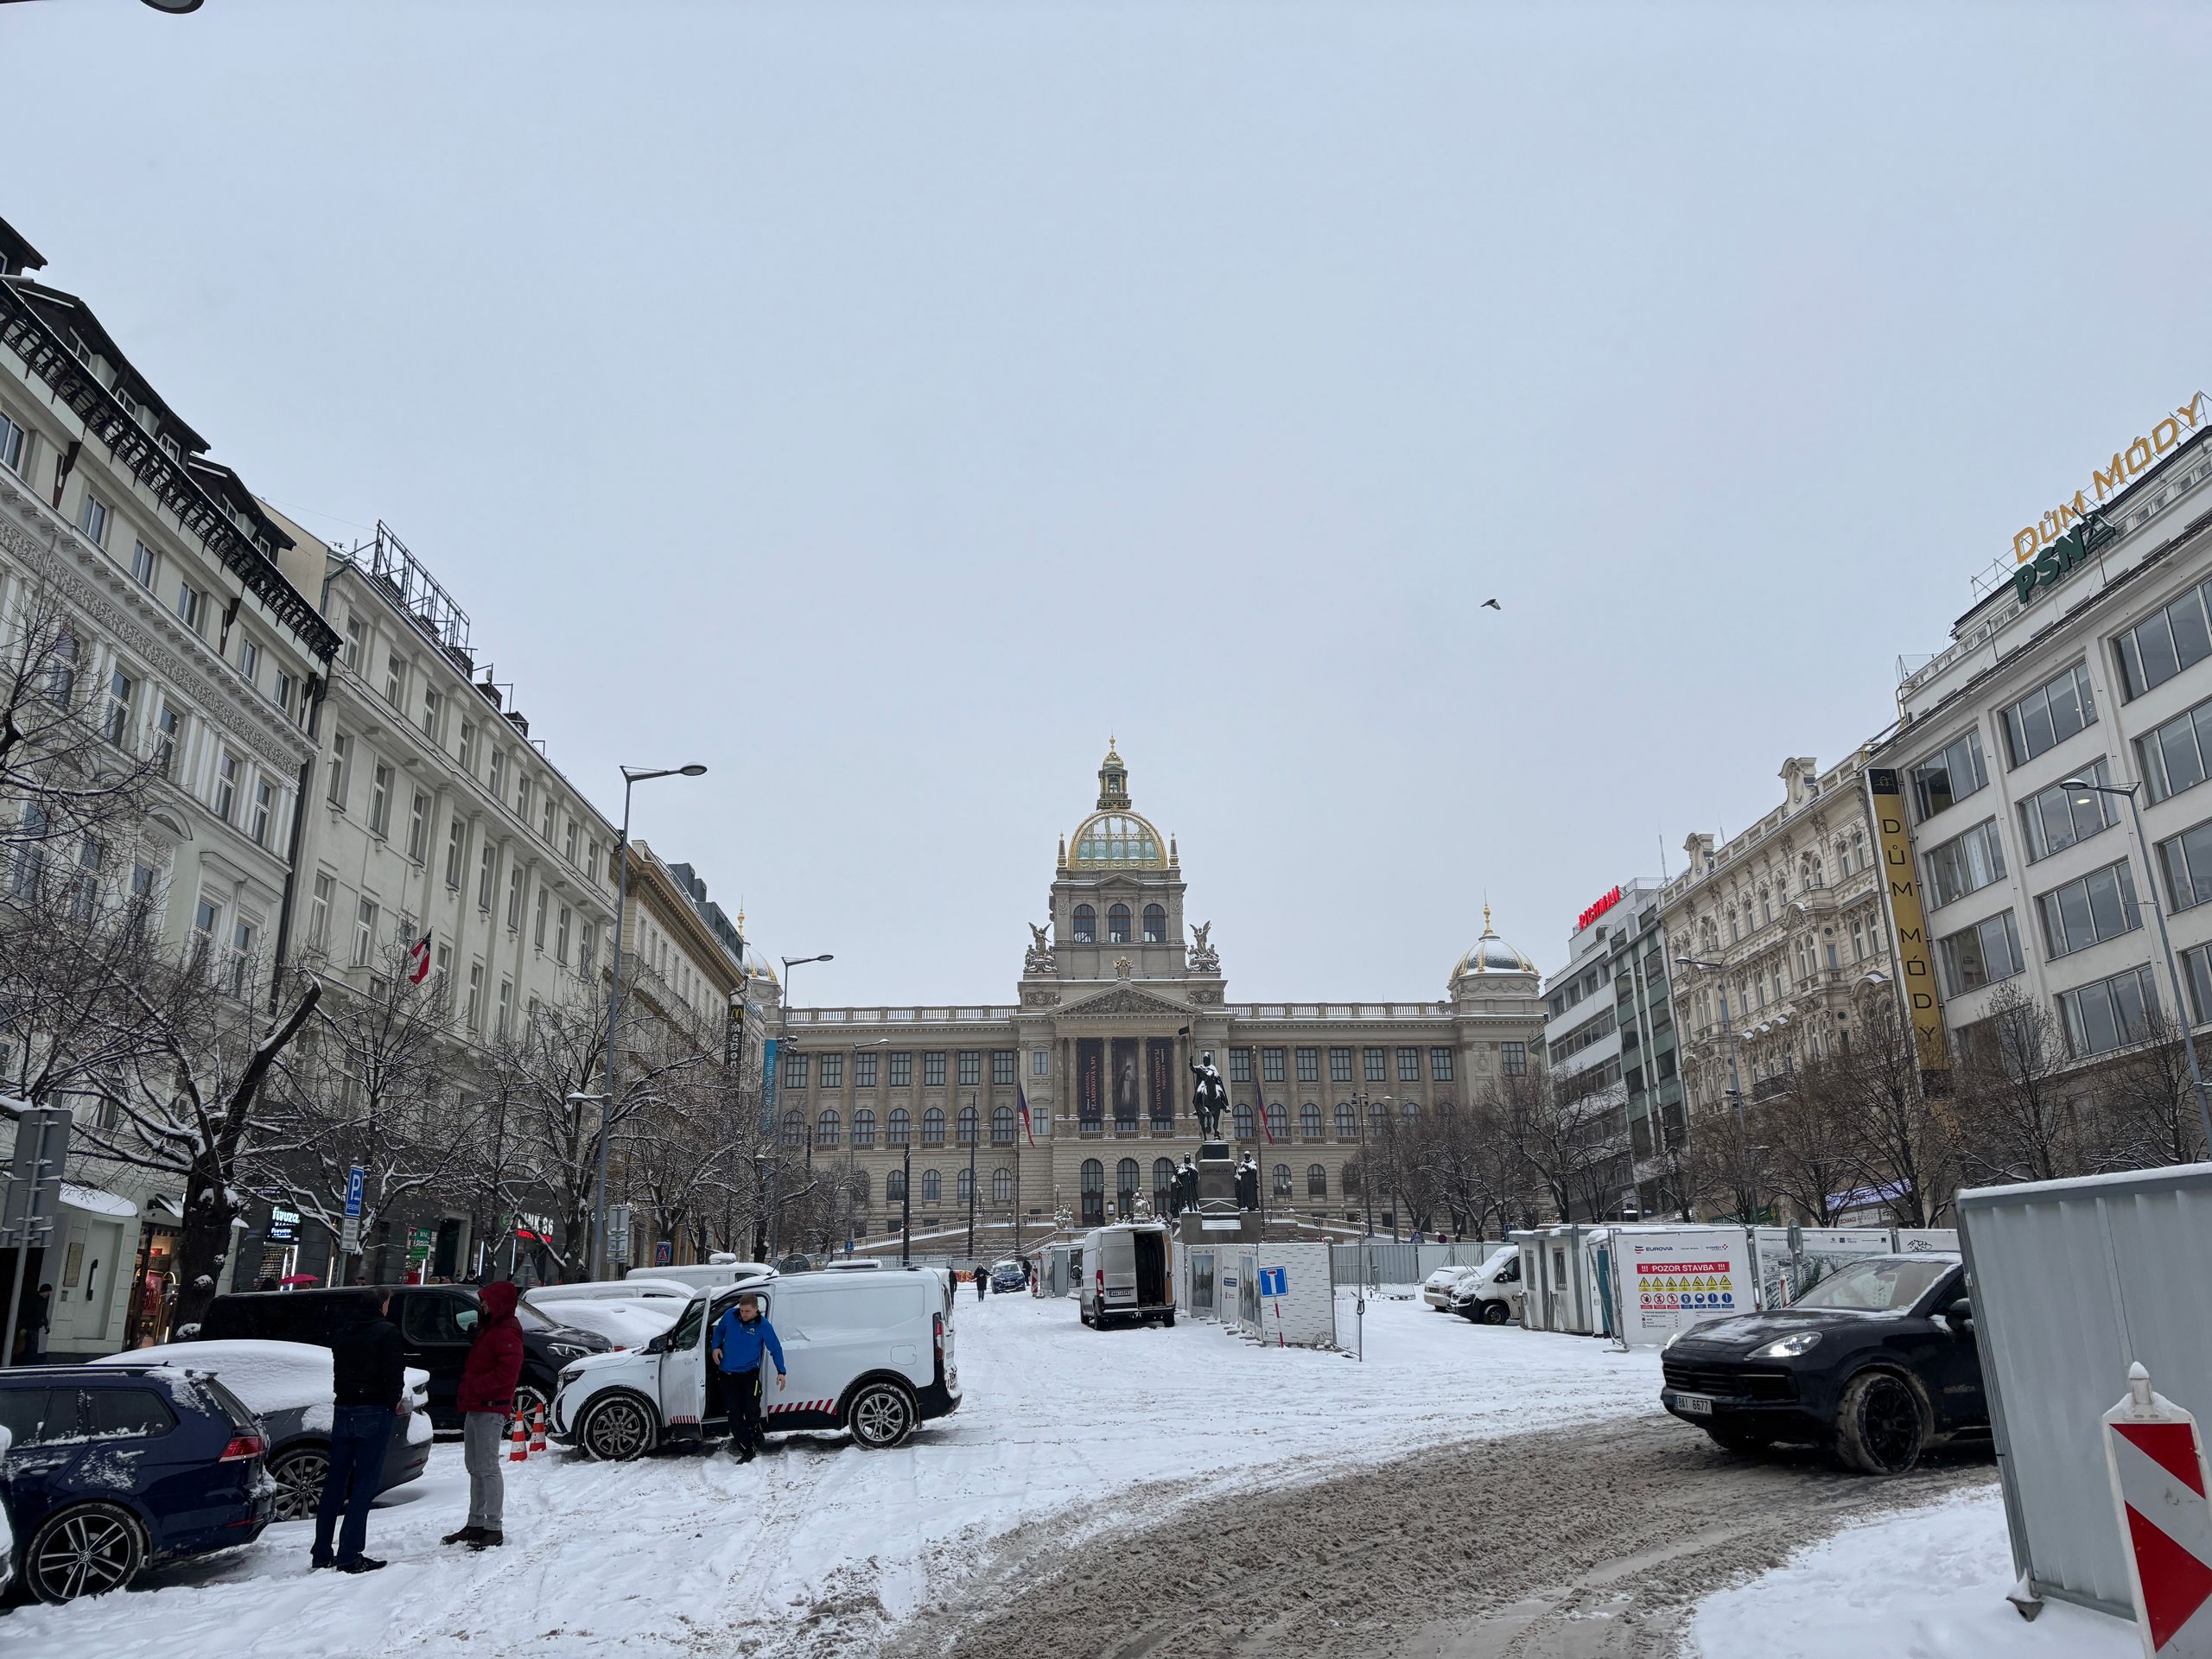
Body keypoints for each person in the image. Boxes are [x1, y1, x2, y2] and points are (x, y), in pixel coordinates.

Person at [313, 1288, 406, 1573]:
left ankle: (321, 1552)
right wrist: (392, 1401)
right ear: (382, 1305)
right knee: (365, 1483)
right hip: (374, 1408)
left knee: (335, 1482)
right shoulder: (386, 1332)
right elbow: (394, 1373)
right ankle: (350, 1554)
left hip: (344, 1407)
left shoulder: (345, 1330)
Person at [444, 1282, 524, 1551]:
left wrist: (476, 1386)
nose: (483, 1305)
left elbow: (508, 1373)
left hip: (490, 1407)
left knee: (488, 1468)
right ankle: (476, 1522)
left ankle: (493, 1526)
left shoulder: (506, 1330)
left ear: (499, 1303)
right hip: (477, 1405)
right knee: (475, 1467)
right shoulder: (492, 1328)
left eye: (486, 1300)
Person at [709, 1291, 785, 1463]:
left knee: (751, 1412)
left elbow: (775, 1349)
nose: (743, 1314)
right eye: (742, 1310)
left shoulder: (763, 1326)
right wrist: (716, 1347)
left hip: (749, 1375)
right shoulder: (730, 1316)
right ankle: (747, 1450)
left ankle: (756, 1432)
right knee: (734, 1414)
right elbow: (719, 1332)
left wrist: (781, 1372)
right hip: (728, 1375)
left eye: (747, 1311)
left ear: (756, 1309)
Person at [27, 1282, 51, 1363]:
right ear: (43, 1291)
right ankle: (29, 1360)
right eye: (47, 1293)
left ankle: (31, 1360)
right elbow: (31, 1312)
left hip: (36, 1325)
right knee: (31, 1344)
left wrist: (46, 1325)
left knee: (34, 1344)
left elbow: (43, 1313)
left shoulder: (44, 1300)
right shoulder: (34, 1299)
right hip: (31, 1325)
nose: (48, 1295)